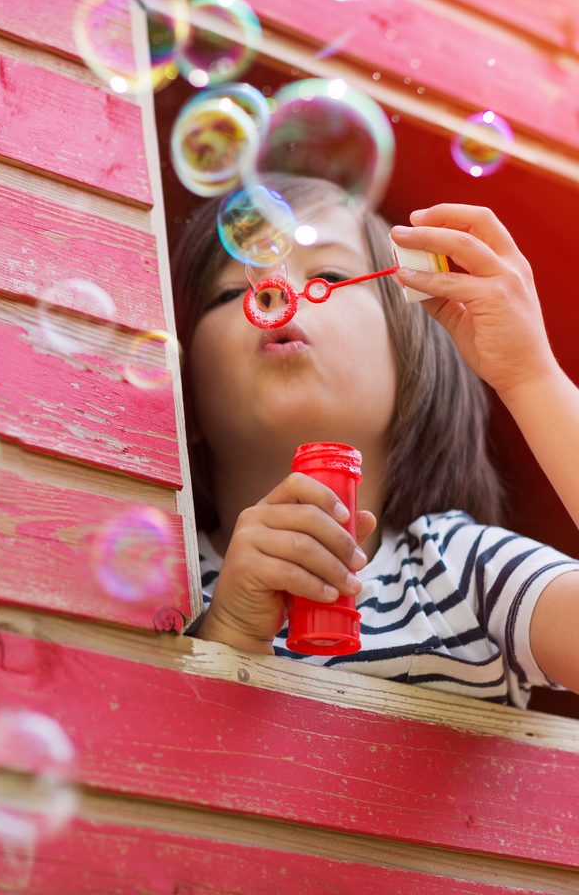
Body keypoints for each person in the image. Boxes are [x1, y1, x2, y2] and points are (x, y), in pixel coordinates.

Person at [173, 172, 579, 709]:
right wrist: (227, 633)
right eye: (232, 290)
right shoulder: (172, 586)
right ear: (185, 397)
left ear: (411, 362)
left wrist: (530, 377)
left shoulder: (463, 573)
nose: (274, 287)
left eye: (330, 272)